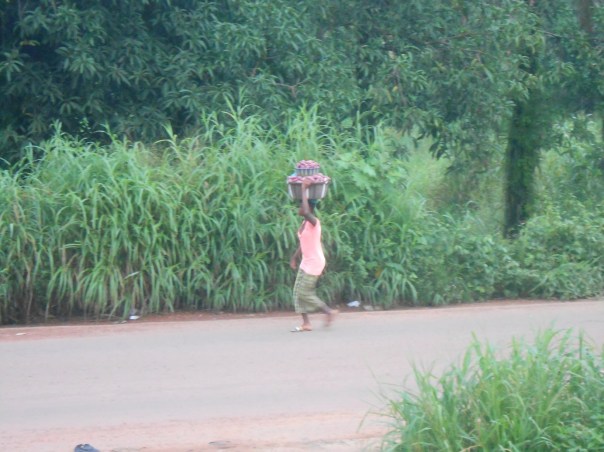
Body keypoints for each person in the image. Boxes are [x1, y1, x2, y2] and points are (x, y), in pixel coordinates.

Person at [289, 178, 338, 332]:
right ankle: (306, 323)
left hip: (315, 262)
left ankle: (328, 311)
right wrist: (294, 257)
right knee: (297, 292)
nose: (299, 208)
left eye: (302, 205)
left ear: (309, 207)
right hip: (306, 261)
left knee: (304, 292)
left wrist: (304, 190)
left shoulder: (314, 223)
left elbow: (305, 211)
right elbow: (303, 242)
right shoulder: (304, 224)